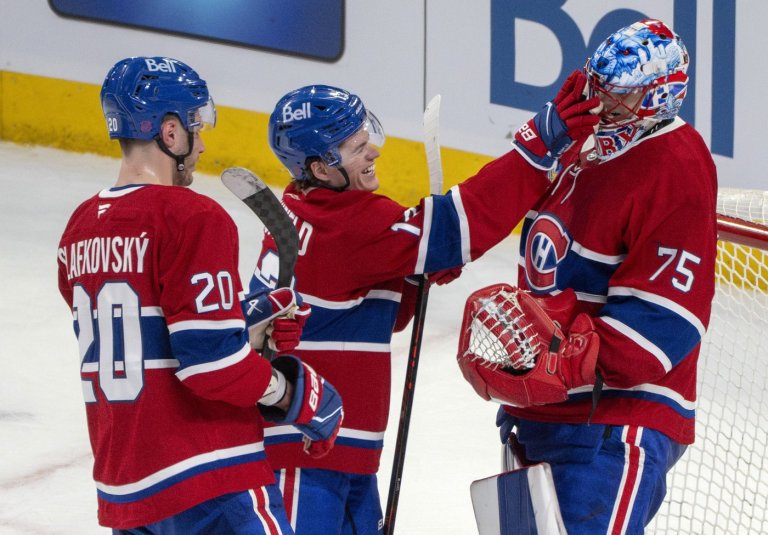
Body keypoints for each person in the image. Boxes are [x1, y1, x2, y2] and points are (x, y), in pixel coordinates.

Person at [246, 74, 600, 533]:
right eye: (357, 148)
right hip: (305, 459)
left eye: (367, 137)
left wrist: (409, 275)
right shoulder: (350, 226)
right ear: (321, 168)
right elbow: (462, 224)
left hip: (327, 449)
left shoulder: (302, 211)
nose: (373, 151)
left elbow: (368, 313)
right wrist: (536, 145)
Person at [57, 56, 344, 534]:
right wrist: (296, 395)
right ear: (170, 133)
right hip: (210, 480)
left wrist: (240, 324)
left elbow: (145, 333)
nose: (202, 143)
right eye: (195, 127)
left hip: (128, 489)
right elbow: (211, 366)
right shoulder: (192, 216)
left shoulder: (79, 228)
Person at [458, 19, 718, 534]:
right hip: (546, 415)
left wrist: (564, 359)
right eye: (599, 85)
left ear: (660, 95)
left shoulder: (676, 165)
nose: (603, 101)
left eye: (621, 93)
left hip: (615, 423)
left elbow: (667, 318)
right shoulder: (583, 144)